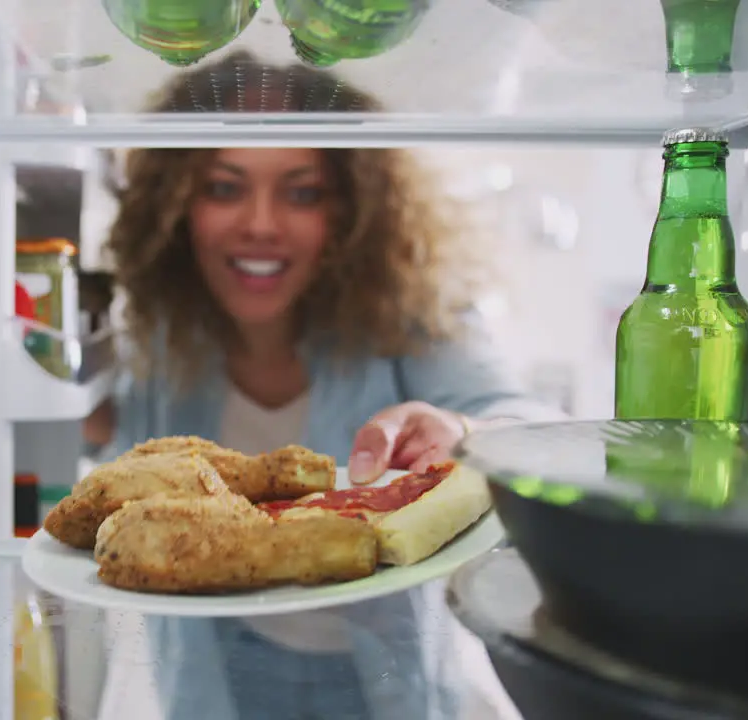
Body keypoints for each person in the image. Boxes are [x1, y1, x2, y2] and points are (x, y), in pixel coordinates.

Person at [83, 50, 564, 720]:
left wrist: (463, 433)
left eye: (302, 192)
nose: (260, 222)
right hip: (216, 673)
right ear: (176, 204)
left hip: (388, 680)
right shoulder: (165, 337)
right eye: (224, 187)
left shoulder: (412, 317)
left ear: (350, 209)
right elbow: (130, 453)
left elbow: (526, 424)